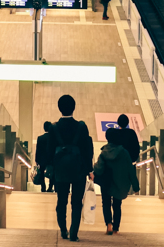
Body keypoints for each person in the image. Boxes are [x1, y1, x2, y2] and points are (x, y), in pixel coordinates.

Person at [51, 94, 94, 242]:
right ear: (74, 108)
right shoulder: (81, 127)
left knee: (61, 201)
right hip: (79, 170)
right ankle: (74, 233)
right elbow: (87, 150)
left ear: (59, 108)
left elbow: (50, 152)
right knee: (76, 202)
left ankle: (63, 230)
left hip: (60, 171)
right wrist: (90, 170)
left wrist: (51, 170)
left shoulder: (54, 127)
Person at [94, 128, 132, 235]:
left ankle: (108, 224)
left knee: (105, 203)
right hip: (118, 181)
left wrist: (93, 171)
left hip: (106, 182)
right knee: (117, 204)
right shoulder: (124, 152)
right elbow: (129, 168)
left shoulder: (104, 152)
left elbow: (98, 168)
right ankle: (116, 228)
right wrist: (136, 185)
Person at [35, 121, 56, 193]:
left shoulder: (40, 138)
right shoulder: (53, 138)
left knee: (41, 173)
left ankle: (43, 187)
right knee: (52, 173)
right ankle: (50, 187)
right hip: (51, 159)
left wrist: (37, 160)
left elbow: (38, 150)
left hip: (42, 159)